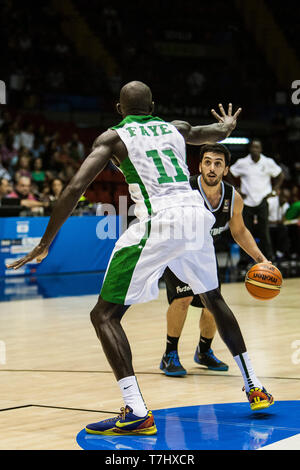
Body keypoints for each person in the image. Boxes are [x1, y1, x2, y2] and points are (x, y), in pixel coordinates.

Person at [7, 81, 273, 438]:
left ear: (120, 109)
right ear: (153, 106)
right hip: (196, 217)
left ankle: (135, 411)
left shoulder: (113, 138)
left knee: (104, 314)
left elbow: (74, 189)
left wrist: (45, 241)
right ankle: (255, 387)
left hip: (160, 220)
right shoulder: (174, 128)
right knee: (214, 299)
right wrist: (225, 128)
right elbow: (203, 131)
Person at [161, 143, 270, 376]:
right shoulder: (184, 190)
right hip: (177, 252)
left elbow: (239, 232)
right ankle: (169, 354)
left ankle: (204, 351)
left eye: (218, 163)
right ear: (199, 165)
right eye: (207, 162)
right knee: (184, 297)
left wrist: (261, 259)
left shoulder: (233, 197)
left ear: (226, 170)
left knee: (213, 303)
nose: (212, 168)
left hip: (204, 255)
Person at [229, 139, 284, 268]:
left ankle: (269, 260)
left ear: (261, 149)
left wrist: (275, 190)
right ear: (250, 149)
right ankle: (244, 261)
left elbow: (280, 175)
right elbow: (230, 172)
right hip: (246, 202)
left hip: (262, 201)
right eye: (253, 147)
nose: (255, 149)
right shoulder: (243, 162)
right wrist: (236, 188)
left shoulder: (268, 162)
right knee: (244, 231)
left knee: (264, 232)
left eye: (257, 147)